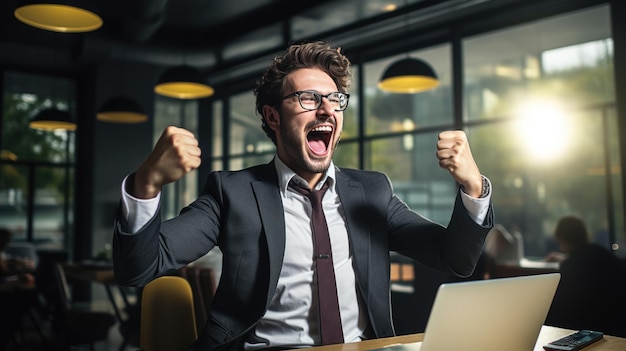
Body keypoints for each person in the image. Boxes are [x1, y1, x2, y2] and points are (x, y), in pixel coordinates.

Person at [112, 40, 494, 350]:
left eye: (335, 99)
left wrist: (473, 186)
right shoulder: (233, 193)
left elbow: (455, 258)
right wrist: (147, 184)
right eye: (309, 99)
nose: (327, 110)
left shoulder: (372, 191)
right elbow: (139, 268)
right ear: (274, 117)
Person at [545, 216, 626, 337]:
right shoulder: (602, 253)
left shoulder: (571, 266)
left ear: (561, 239)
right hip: (617, 322)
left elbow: (562, 307)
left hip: (588, 328)